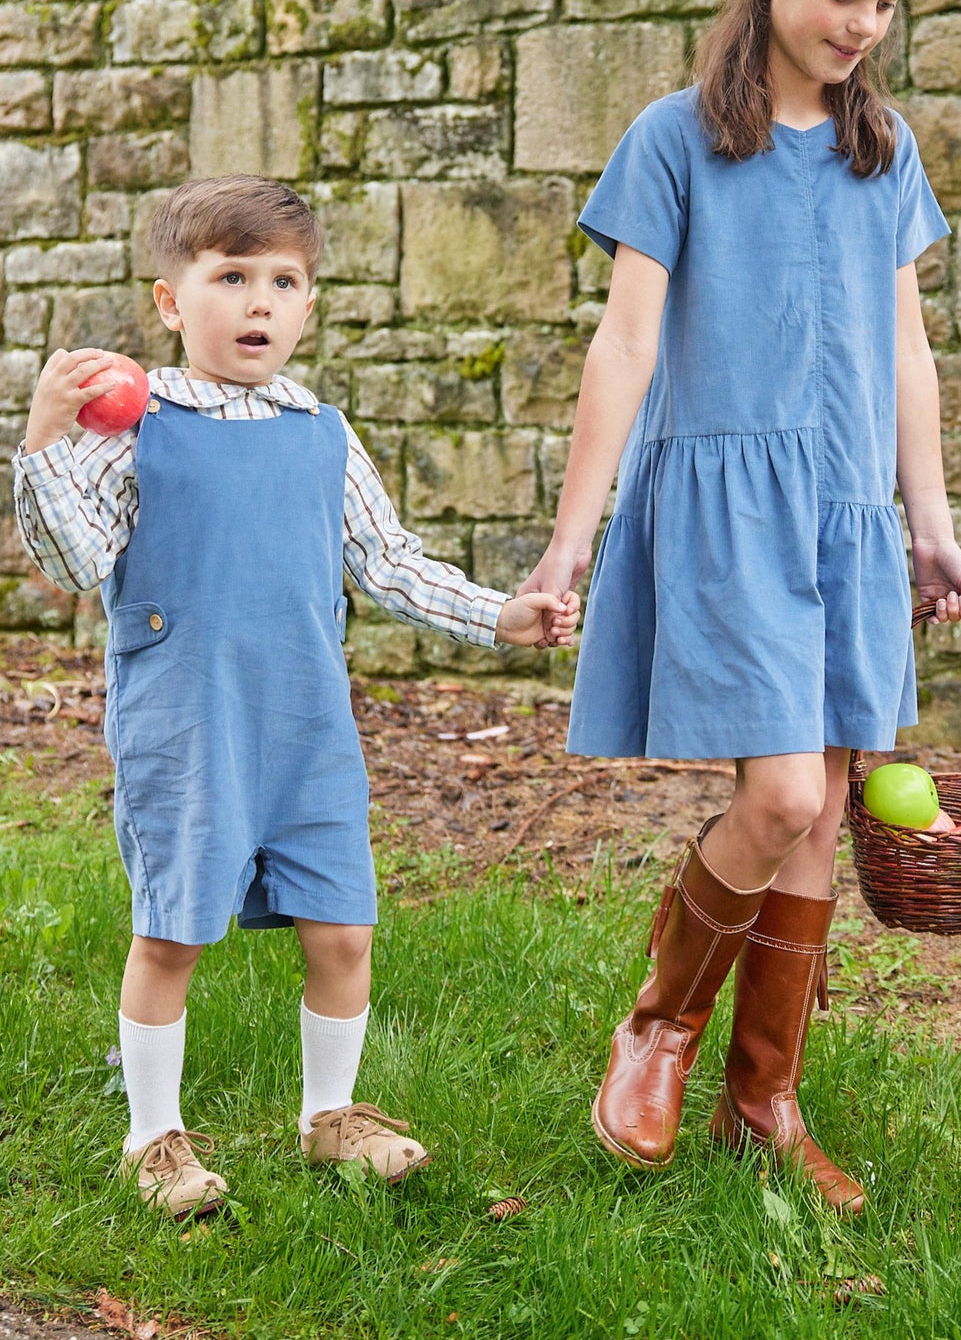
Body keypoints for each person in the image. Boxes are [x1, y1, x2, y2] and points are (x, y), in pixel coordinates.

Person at [519, 0, 961, 1214]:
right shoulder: (677, 136)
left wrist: (930, 521)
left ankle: (764, 1096)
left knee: (824, 808)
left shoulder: (878, 147)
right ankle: (658, 1023)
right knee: (777, 794)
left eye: (888, 5)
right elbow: (627, 338)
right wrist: (571, 536)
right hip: (724, 499)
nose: (863, 27)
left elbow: (906, 348)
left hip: (843, 511)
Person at [13, 175, 579, 1221]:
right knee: (173, 930)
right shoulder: (135, 425)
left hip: (309, 726)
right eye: (230, 277)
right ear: (172, 302)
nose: (259, 301)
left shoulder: (323, 430)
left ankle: (329, 1115)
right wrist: (47, 438)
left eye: (283, 280)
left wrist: (500, 616)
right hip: (188, 720)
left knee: (341, 928)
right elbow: (73, 557)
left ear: (309, 305)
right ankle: (152, 1135)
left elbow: (389, 560)